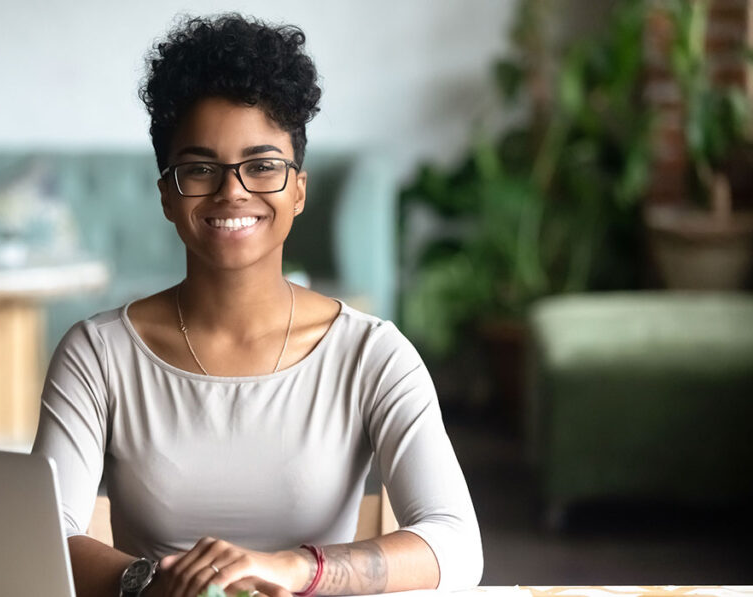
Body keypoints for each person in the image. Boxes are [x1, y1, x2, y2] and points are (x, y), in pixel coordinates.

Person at [31, 14, 483, 597]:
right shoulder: (97, 355)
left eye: (263, 165)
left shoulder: (373, 354)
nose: (232, 191)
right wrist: (149, 583)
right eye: (200, 168)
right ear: (168, 193)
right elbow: (47, 535)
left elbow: (457, 544)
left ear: (298, 189)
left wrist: (297, 568)